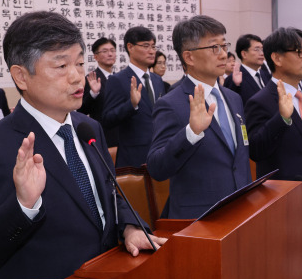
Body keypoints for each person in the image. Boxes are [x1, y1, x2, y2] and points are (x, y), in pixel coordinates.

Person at [0, 11, 165, 279]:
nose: (77, 77)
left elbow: (109, 193)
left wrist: (128, 227)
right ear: (21, 76)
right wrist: (23, 207)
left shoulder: (88, 126)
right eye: (61, 65)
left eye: (80, 63)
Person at [147, 15, 251, 220]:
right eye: (214, 48)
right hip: (201, 220)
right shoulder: (171, 104)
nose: (223, 55)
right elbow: (156, 168)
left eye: (224, 45)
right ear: (189, 57)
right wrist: (191, 133)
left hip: (241, 212)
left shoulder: (234, 98)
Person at [245, 27, 302, 218]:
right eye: (299, 52)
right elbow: (256, 150)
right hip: (283, 201)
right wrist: (282, 118)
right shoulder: (260, 100)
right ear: (277, 59)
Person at [102, 26, 165, 167]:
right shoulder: (117, 80)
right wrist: (131, 105)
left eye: (153, 46)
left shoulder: (157, 80)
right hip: (134, 158)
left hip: (160, 153)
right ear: (130, 47)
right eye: (146, 46)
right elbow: (107, 119)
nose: (151, 51)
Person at [78, 37, 120, 147]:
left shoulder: (119, 79)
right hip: (104, 135)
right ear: (95, 57)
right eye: (105, 51)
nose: (110, 54)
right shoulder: (90, 79)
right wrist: (93, 93)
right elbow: (81, 110)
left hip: (123, 135)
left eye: (112, 50)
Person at [224, 34, 267, 105]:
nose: (262, 53)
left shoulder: (265, 75)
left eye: (262, 49)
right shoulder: (233, 79)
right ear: (244, 54)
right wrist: (236, 85)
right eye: (257, 49)